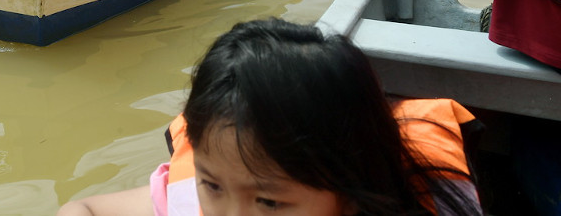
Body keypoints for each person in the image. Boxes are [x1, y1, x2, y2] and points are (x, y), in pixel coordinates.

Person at [57, 18, 482, 216]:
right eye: (211, 185)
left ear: (350, 196)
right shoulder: (212, 194)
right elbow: (82, 210)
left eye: (269, 203)